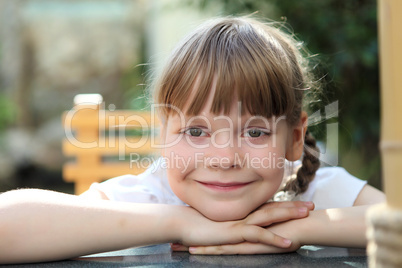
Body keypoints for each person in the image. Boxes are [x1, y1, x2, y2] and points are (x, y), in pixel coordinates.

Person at [0, 16, 384, 264]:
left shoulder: (306, 192)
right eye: (196, 131)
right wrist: (179, 221)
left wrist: (293, 230)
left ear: (294, 139)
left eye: (254, 132)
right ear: (162, 135)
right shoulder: (151, 196)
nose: (223, 157)